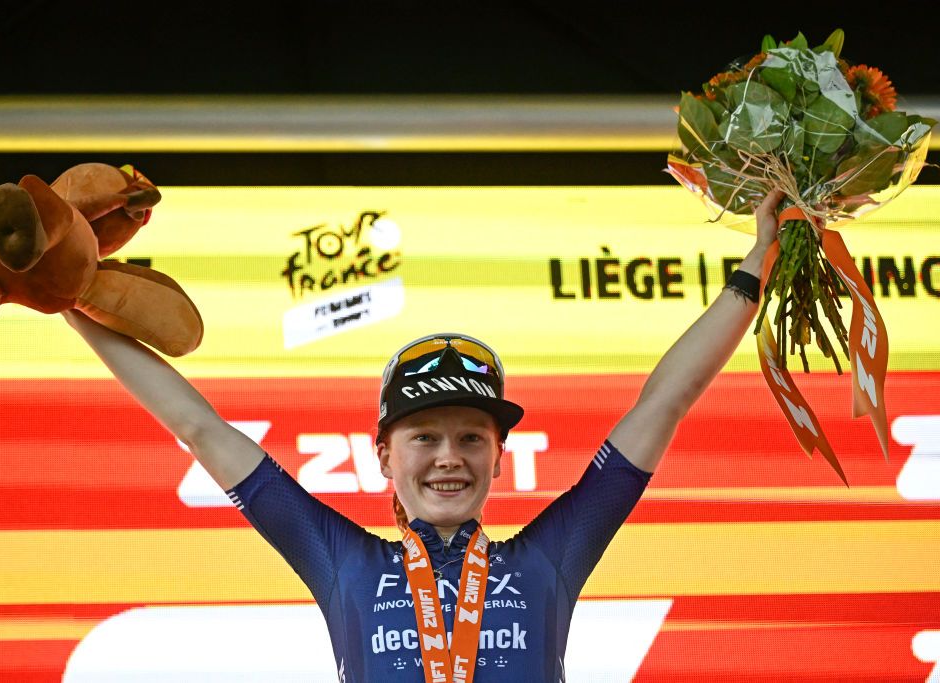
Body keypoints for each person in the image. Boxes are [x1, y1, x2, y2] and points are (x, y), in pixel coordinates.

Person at [62, 189, 784, 682]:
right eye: (424, 437)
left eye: (472, 437)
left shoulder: (547, 561)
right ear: (383, 455)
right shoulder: (344, 563)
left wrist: (757, 262)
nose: (449, 457)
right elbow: (199, 426)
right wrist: (69, 303)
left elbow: (664, 403)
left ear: (499, 458)